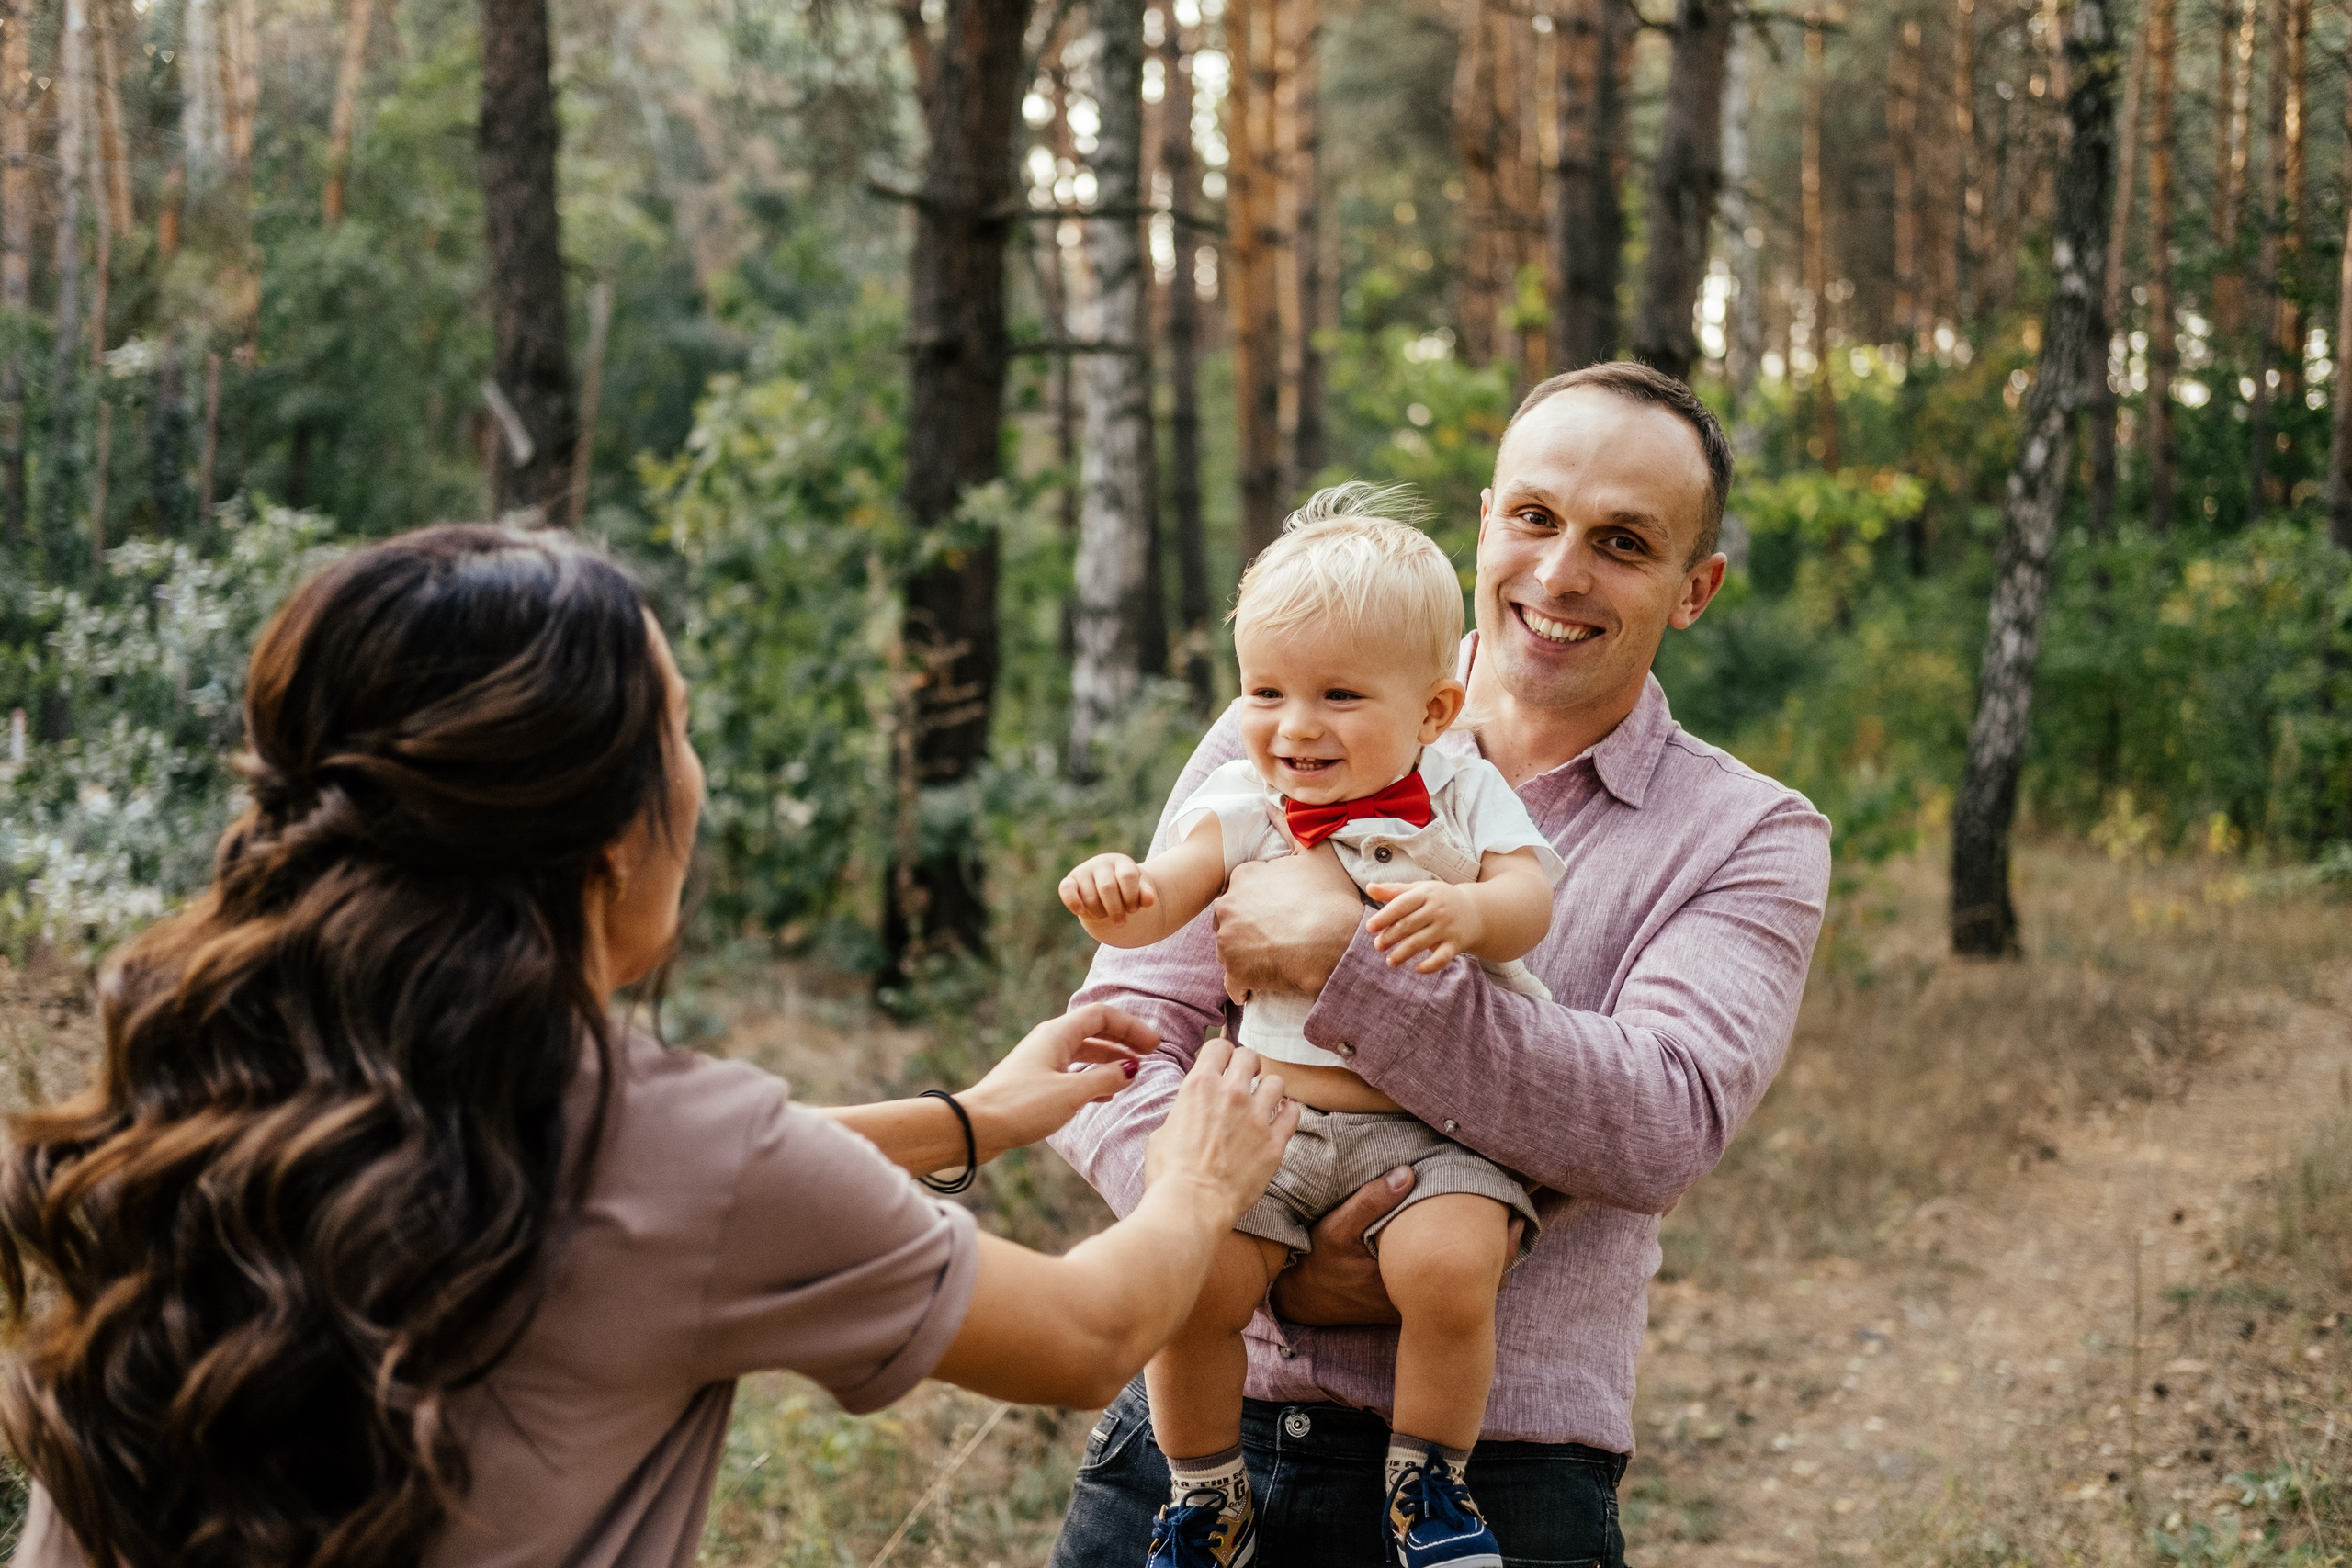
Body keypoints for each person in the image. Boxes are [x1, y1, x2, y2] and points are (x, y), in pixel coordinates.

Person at [0, 524, 1299, 1568]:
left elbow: (623, 1188)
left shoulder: (213, 1061)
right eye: (674, 732)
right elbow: (1083, 1333)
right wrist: (1198, 1180)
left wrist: (966, 1118)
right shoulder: (679, 1151)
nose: (695, 775)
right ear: (608, 836)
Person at [1048, 362, 1835, 1568]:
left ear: (1695, 587)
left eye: (1623, 542)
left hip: (1506, 1475)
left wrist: (1349, 963)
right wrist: (1233, 1230)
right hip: (1196, 1436)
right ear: (1484, 520)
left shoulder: (1749, 835)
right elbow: (1113, 1034)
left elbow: (1662, 1119)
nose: (1559, 573)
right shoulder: (1290, 719)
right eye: (1534, 516)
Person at [1057, 491, 1565, 1568]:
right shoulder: (1243, 800)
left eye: (1338, 694)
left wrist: (1470, 912)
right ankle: (1206, 1494)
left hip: (1428, 1131)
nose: (1295, 725)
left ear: (1432, 710)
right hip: (1271, 1122)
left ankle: (1426, 1484)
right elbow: (1163, 901)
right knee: (1192, 1276)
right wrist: (1118, 892)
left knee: (1450, 1267)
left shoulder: (1461, 792)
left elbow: (1530, 897)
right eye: (1265, 692)